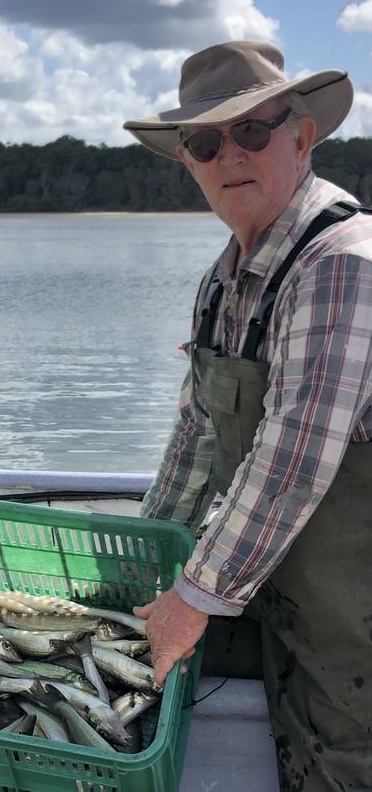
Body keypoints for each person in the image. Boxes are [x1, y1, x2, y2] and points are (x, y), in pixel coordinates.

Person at [123, 41, 372, 791]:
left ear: (300, 137)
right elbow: (195, 447)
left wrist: (191, 600)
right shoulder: (222, 283)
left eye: (252, 132)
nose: (229, 154)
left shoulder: (342, 262)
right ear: (188, 163)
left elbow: (291, 459)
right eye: (205, 142)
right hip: (279, 601)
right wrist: (138, 563)